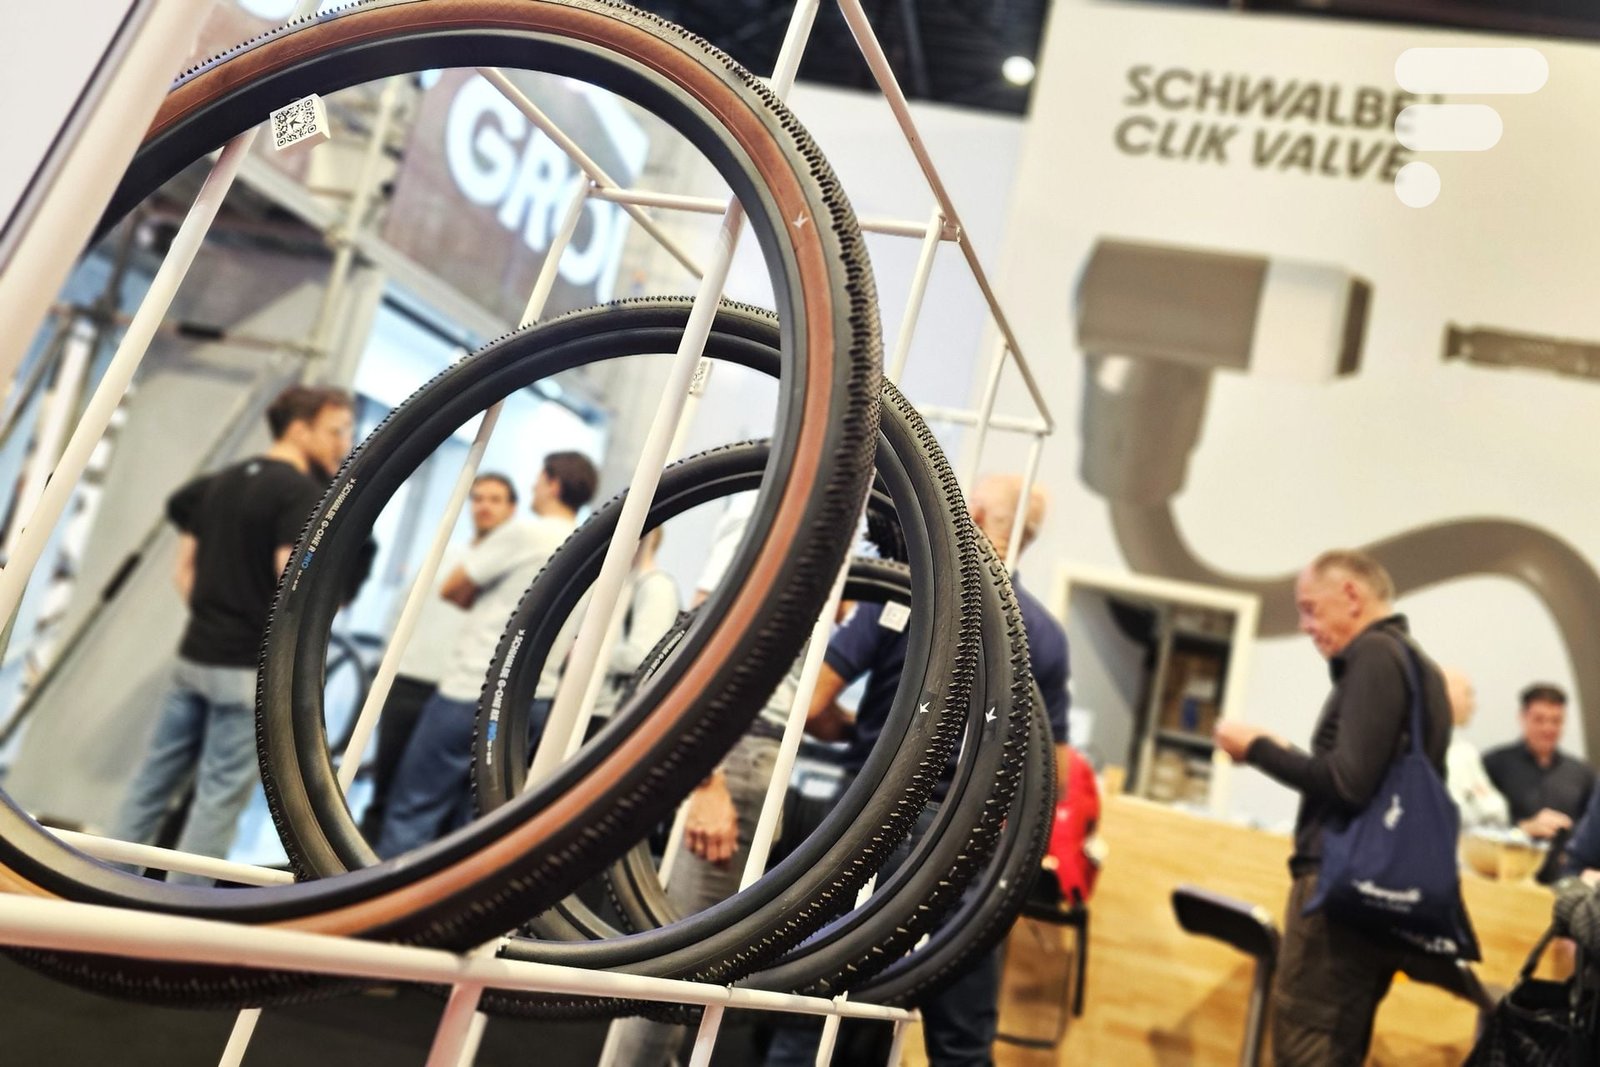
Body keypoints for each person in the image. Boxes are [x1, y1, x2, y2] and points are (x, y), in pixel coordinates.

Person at [766, 473, 1071, 1067]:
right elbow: (1045, 775)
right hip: (968, 844)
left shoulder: (909, 590)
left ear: (973, 514)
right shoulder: (1044, 636)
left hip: (868, 822)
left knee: (811, 1011)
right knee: (961, 1043)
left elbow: (813, 701)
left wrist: (862, 736)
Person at [1214, 549, 1456, 1066]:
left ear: (1351, 595)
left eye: (1310, 609)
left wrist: (1257, 749)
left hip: (1336, 892)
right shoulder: (1423, 671)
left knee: (1307, 1048)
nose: (1306, 626)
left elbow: (1348, 784)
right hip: (1378, 901)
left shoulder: (1374, 656)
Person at [110, 385, 355, 883]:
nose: (343, 443)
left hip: (196, 656)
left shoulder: (217, 484)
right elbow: (293, 592)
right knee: (217, 799)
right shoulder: (300, 495)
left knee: (150, 783)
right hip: (245, 669)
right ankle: (181, 909)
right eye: (335, 431)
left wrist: (216, 617)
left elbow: (183, 572)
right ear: (299, 429)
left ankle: (100, 881)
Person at [375, 451, 598, 858]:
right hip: (531, 704)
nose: (533, 488)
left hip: (473, 692)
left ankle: (385, 899)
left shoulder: (526, 532)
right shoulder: (591, 545)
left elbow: (452, 588)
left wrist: (484, 595)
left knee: (415, 811)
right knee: (478, 827)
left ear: (553, 484)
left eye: (538, 480)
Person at [359, 473, 519, 840]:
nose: (484, 506)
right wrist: (388, 665)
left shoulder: (509, 569)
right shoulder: (445, 556)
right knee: (386, 786)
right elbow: (402, 609)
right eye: (478, 498)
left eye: (495, 499)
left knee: (438, 801)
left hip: (458, 694)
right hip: (409, 682)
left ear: (512, 509)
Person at [1482, 683, 1593, 841]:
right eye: (1539, 720)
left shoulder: (1582, 773)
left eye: (1556, 721)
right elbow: (1479, 824)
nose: (1547, 728)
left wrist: (1569, 828)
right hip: (1510, 854)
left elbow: (1592, 826)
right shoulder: (1494, 764)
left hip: (1565, 855)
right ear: (1522, 717)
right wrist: (1523, 827)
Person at [1442, 667, 1511, 832]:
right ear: (1449, 695)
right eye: (1468, 694)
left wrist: (1474, 802)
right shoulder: (1425, 753)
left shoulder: (1465, 752)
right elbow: (1454, 812)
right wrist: (1476, 799)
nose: (1473, 705)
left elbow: (1500, 811)